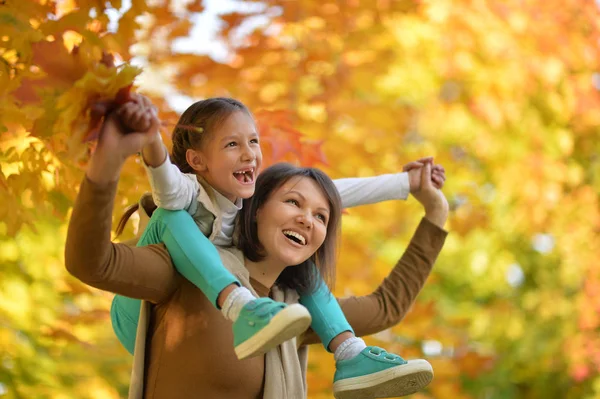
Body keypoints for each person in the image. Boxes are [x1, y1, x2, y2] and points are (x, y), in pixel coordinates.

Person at [65, 103, 449, 398]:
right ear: (256, 206)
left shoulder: (291, 315)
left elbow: (387, 307)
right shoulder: (185, 272)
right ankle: (237, 302)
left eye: (321, 217)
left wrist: (433, 207)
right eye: (294, 204)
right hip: (167, 297)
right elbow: (92, 262)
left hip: (267, 311)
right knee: (171, 214)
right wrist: (109, 160)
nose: (308, 220)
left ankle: (350, 356)